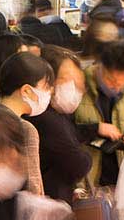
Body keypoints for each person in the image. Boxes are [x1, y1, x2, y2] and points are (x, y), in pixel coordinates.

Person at [0, 51, 55, 197]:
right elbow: (34, 188)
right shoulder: (24, 129)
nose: (49, 95)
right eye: (46, 88)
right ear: (26, 90)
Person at [73, 39, 124, 189]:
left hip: (119, 180)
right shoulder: (78, 88)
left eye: (121, 82)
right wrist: (95, 128)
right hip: (86, 180)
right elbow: (64, 131)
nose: (116, 87)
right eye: (111, 81)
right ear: (100, 67)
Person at [36, 45, 93, 203]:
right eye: (67, 79)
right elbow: (78, 164)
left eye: (78, 81)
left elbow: (72, 134)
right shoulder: (46, 118)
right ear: (46, 81)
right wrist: (86, 155)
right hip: (48, 205)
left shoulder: (59, 112)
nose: (75, 88)